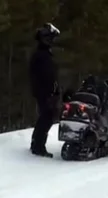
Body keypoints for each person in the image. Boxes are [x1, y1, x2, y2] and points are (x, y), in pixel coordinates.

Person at [29, 22, 61, 158]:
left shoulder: (43, 53)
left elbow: (49, 75)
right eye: (51, 38)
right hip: (44, 92)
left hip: (44, 91)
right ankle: (38, 146)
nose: (53, 41)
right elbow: (46, 75)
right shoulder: (42, 55)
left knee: (45, 117)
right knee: (46, 118)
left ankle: (37, 144)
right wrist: (51, 92)